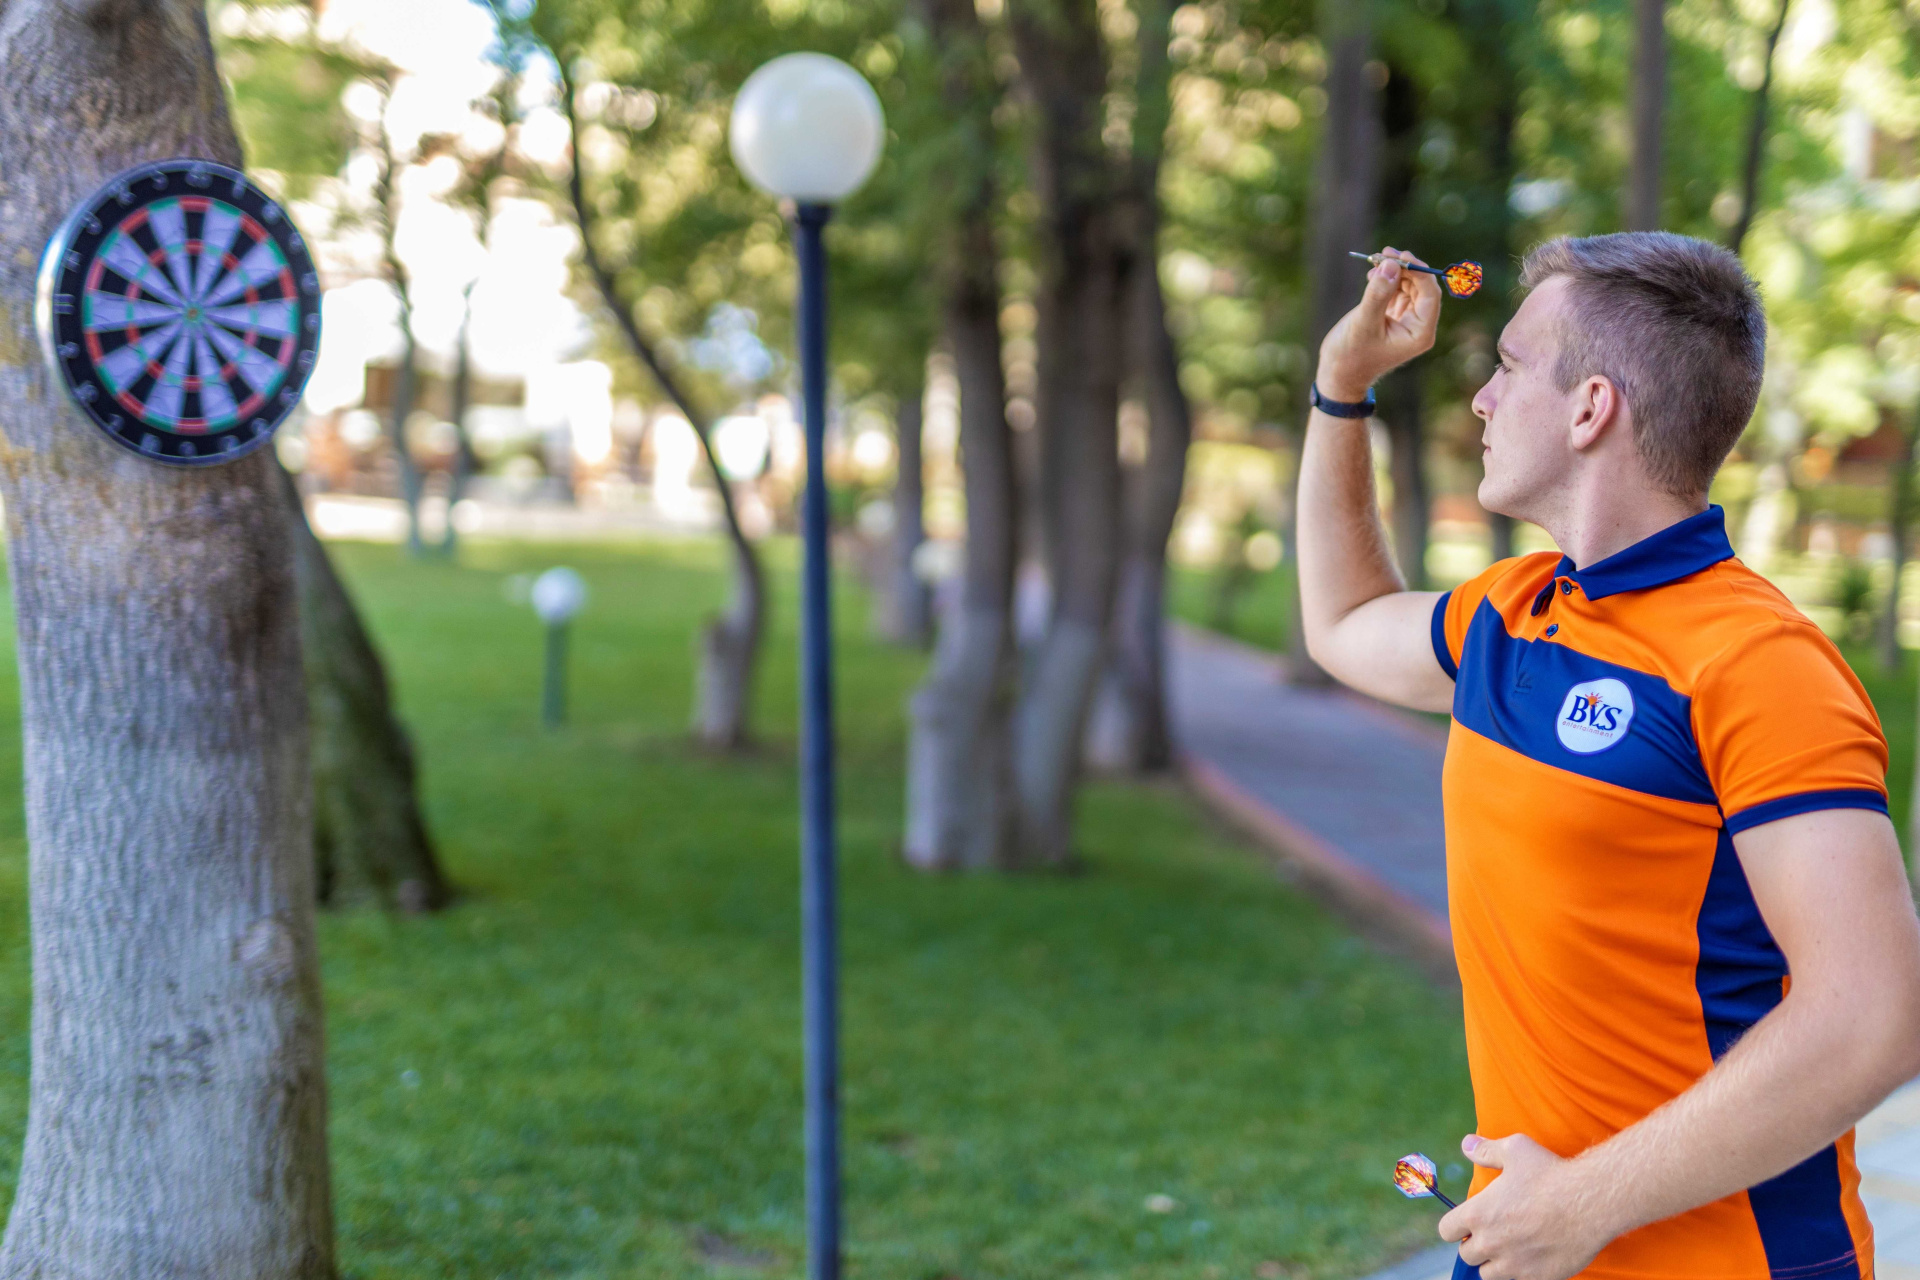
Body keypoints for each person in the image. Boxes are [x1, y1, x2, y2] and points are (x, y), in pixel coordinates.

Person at [1299, 232, 1920, 1280]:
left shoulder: (1760, 664)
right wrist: (1341, 386)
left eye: (1507, 367)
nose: (1481, 400)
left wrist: (1583, 1203)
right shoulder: (1512, 613)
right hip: (1528, 1241)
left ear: (1591, 409)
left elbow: (1874, 1017)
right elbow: (1346, 622)